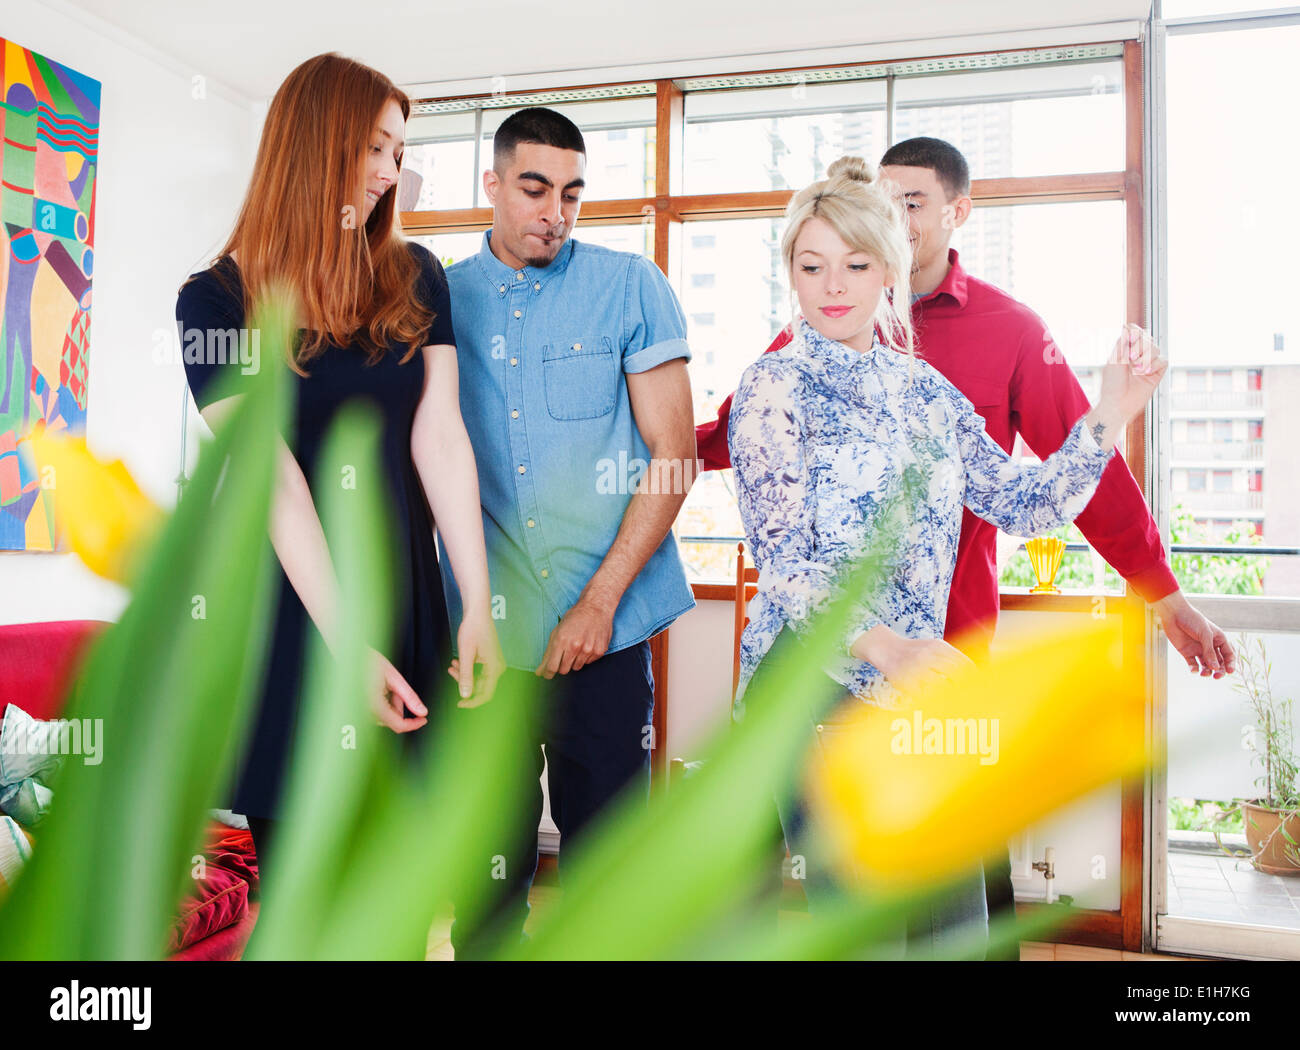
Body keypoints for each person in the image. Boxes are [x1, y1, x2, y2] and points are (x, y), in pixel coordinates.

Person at [699, 136, 1235, 957]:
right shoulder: (774, 384)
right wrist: (891, 651)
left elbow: (1026, 503)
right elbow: (786, 565)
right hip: (821, 686)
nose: (832, 286)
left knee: (956, 924)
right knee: (868, 927)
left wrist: (1111, 411)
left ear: (887, 268)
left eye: (852, 264)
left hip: (918, 685)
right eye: (811, 267)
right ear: (792, 275)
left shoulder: (925, 391)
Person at [175, 53, 504, 942]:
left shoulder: (416, 276)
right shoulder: (213, 302)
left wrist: (475, 600)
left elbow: (440, 434)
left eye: (400, 150)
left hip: (404, 601)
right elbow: (270, 478)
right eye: (375, 147)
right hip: (288, 619)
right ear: (316, 143)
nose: (393, 171)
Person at [441, 106, 698, 956]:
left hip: (609, 636)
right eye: (535, 188)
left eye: (574, 194)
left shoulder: (630, 286)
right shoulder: (439, 297)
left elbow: (673, 455)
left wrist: (598, 604)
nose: (556, 211)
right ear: (493, 184)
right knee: (481, 879)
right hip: (487, 640)